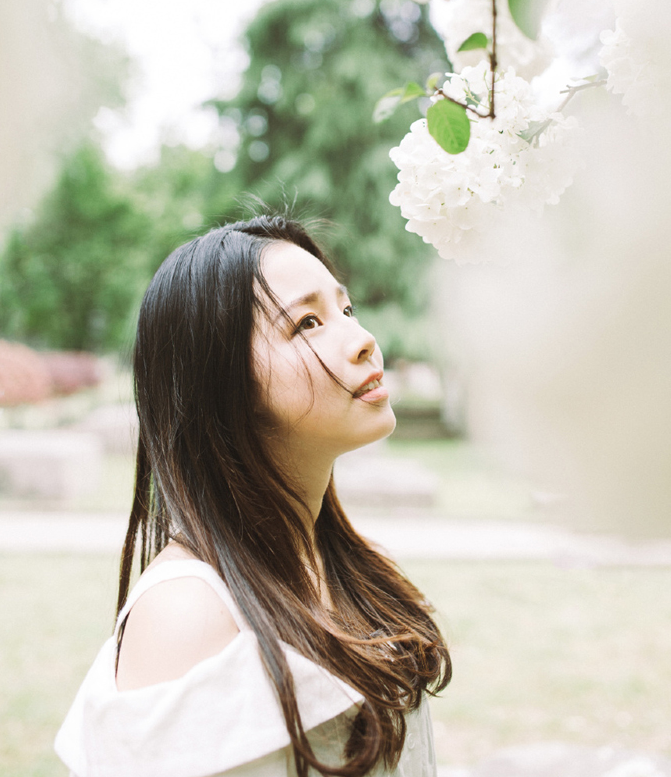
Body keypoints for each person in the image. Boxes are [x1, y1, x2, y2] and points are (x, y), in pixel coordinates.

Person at [55, 215, 450, 777]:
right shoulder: (188, 616)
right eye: (307, 323)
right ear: (222, 383)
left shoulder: (353, 564)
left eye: (346, 309)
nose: (362, 340)